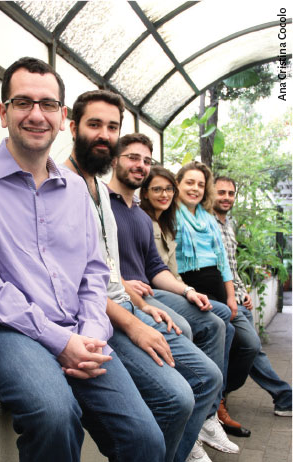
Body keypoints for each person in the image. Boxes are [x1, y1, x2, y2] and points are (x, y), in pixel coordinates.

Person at [0, 57, 167, 462]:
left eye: (47, 105)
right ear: (3, 112)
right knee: (55, 413)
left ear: (63, 118)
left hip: (78, 329)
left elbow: (94, 273)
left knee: (144, 439)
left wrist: (92, 333)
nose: (35, 114)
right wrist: (61, 341)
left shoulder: (77, 191)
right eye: (22, 102)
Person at [63, 90, 223, 462]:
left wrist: (142, 305)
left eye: (112, 127)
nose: (104, 134)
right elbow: (74, 283)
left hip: (126, 309)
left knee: (208, 376)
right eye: (94, 124)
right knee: (178, 397)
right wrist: (134, 319)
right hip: (95, 320)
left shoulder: (100, 191)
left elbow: (113, 271)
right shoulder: (62, 185)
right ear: (72, 126)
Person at [108, 133, 240, 457]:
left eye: (146, 160)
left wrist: (188, 290)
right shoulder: (100, 206)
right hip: (128, 298)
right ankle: (193, 410)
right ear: (114, 159)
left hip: (149, 291)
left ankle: (203, 418)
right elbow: (95, 264)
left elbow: (155, 266)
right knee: (190, 326)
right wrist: (125, 284)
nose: (140, 166)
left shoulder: (138, 215)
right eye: (132, 157)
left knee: (220, 317)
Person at [174, 161, 257, 440]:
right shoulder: (171, 213)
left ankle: (216, 402)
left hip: (219, 290)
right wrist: (183, 290)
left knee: (246, 344)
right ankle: (208, 412)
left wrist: (232, 296)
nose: (195, 188)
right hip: (188, 287)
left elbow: (223, 261)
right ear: (178, 183)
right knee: (225, 334)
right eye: (189, 182)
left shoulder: (208, 218)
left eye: (200, 184)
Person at [214, 176, 292, 417]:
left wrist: (243, 289)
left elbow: (231, 265)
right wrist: (229, 295)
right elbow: (214, 269)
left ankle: (283, 397)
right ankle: (219, 395)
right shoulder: (205, 223)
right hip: (222, 302)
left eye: (230, 193)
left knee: (253, 349)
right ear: (211, 194)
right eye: (221, 192)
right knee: (250, 346)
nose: (227, 197)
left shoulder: (229, 223)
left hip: (238, 298)